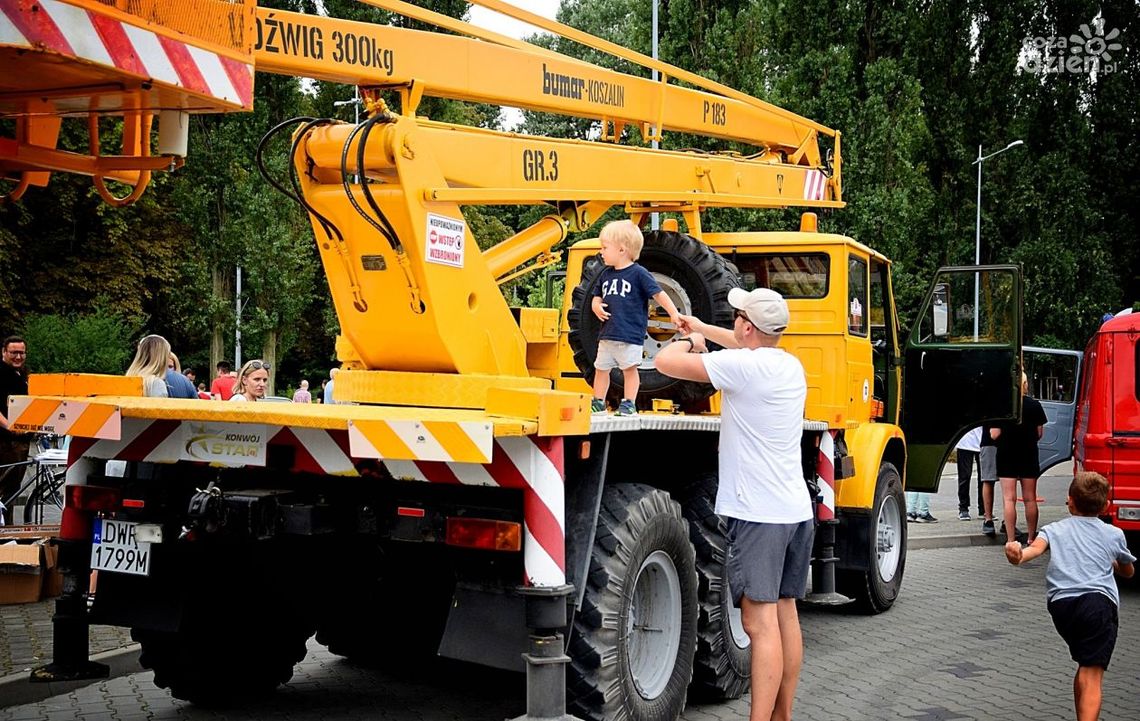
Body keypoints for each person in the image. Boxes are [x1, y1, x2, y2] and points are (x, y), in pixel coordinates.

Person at [655, 287, 812, 721]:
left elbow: (664, 362)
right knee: (785, 614)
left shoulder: (742, 368)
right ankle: (781, 715)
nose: (735, 321)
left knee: (759, 626)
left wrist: (689, 341)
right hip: (794, 511)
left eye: (738, 316)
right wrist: (703, 328)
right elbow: (741, 345)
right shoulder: (788, 364)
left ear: (747, 326)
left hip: (758, 515)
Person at [1004, 472, 1135, 721]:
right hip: (1097, 604)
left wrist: (1016, 555)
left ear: (1070, 501)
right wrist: (1114, 563)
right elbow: (1128, 572)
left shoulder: (1053, 530)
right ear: (1106, 506)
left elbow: (1032, 551)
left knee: (1085, 664)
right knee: (1092, 673)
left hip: (1062, 607)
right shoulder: (1113, 534)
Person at [590, 219, 680, 416]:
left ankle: (629, 403)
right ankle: (598, 402)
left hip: (629, 335)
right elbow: (596, 297)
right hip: (607, 334)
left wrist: (674, 313)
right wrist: (596, 306)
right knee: (601, 369)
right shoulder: (605, 275)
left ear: (622, 250)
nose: (601, 252)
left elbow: (658, 294)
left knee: (629, 370)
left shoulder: (639, 273)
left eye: (605, 247)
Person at [992, 373, 1047, 544]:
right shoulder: (1035, 405)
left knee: (1009, 499)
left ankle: (1011, 540)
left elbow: (994, 434)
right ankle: (1031, 538)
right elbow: (1039, 433)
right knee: (1030, 498)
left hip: (1006, 454)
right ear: (1025, 384)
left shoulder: (1003, 404)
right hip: (1028, 453)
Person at [0, 336, 32, 510]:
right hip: (5, 442)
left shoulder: (22, 373)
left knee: (11, 491)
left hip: (20, 441)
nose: (18, 357)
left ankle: (7, 525)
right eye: (14, 353)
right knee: (5, 490)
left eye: (22, 353)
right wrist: (9, 426)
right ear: (4, 352)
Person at [955, 426, 983, 520]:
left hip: (982, 441)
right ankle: (963, 508)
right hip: (965, 442)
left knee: (983, 478)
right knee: (964, 477)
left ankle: (983, 509)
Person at [979, 421, 1000, 536]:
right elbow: (994, 434)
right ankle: (1007, 521)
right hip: (993, 443)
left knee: (988, 481)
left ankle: (988, 519)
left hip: (989, 443)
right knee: (1008, 484)